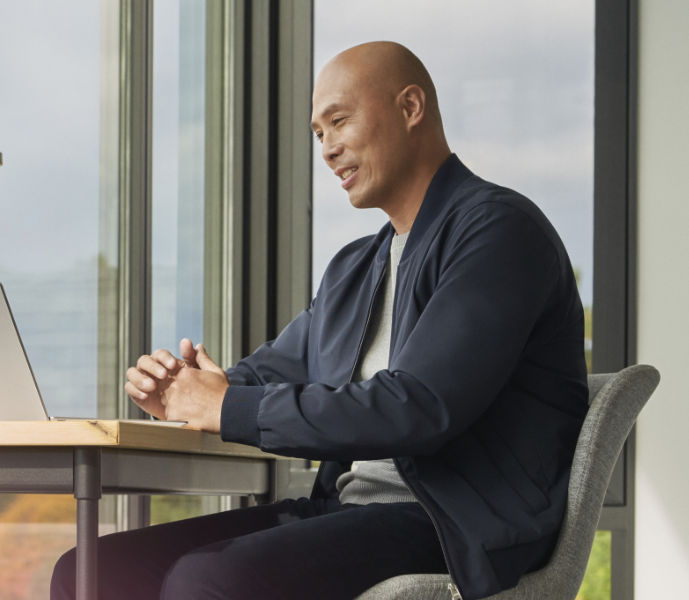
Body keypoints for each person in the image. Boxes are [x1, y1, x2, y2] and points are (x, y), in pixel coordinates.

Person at [51, 41, 587, 600]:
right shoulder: (356, 267)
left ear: (410, 107)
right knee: (88, 570)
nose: (327, 148)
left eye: (339, 121)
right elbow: (269, 374)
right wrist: (188, 389)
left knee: (207, 580)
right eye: (318, 134)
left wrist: (224, 406)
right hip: (343, 510)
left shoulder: (498, 233)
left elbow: (420, 406)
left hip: (452, 522)